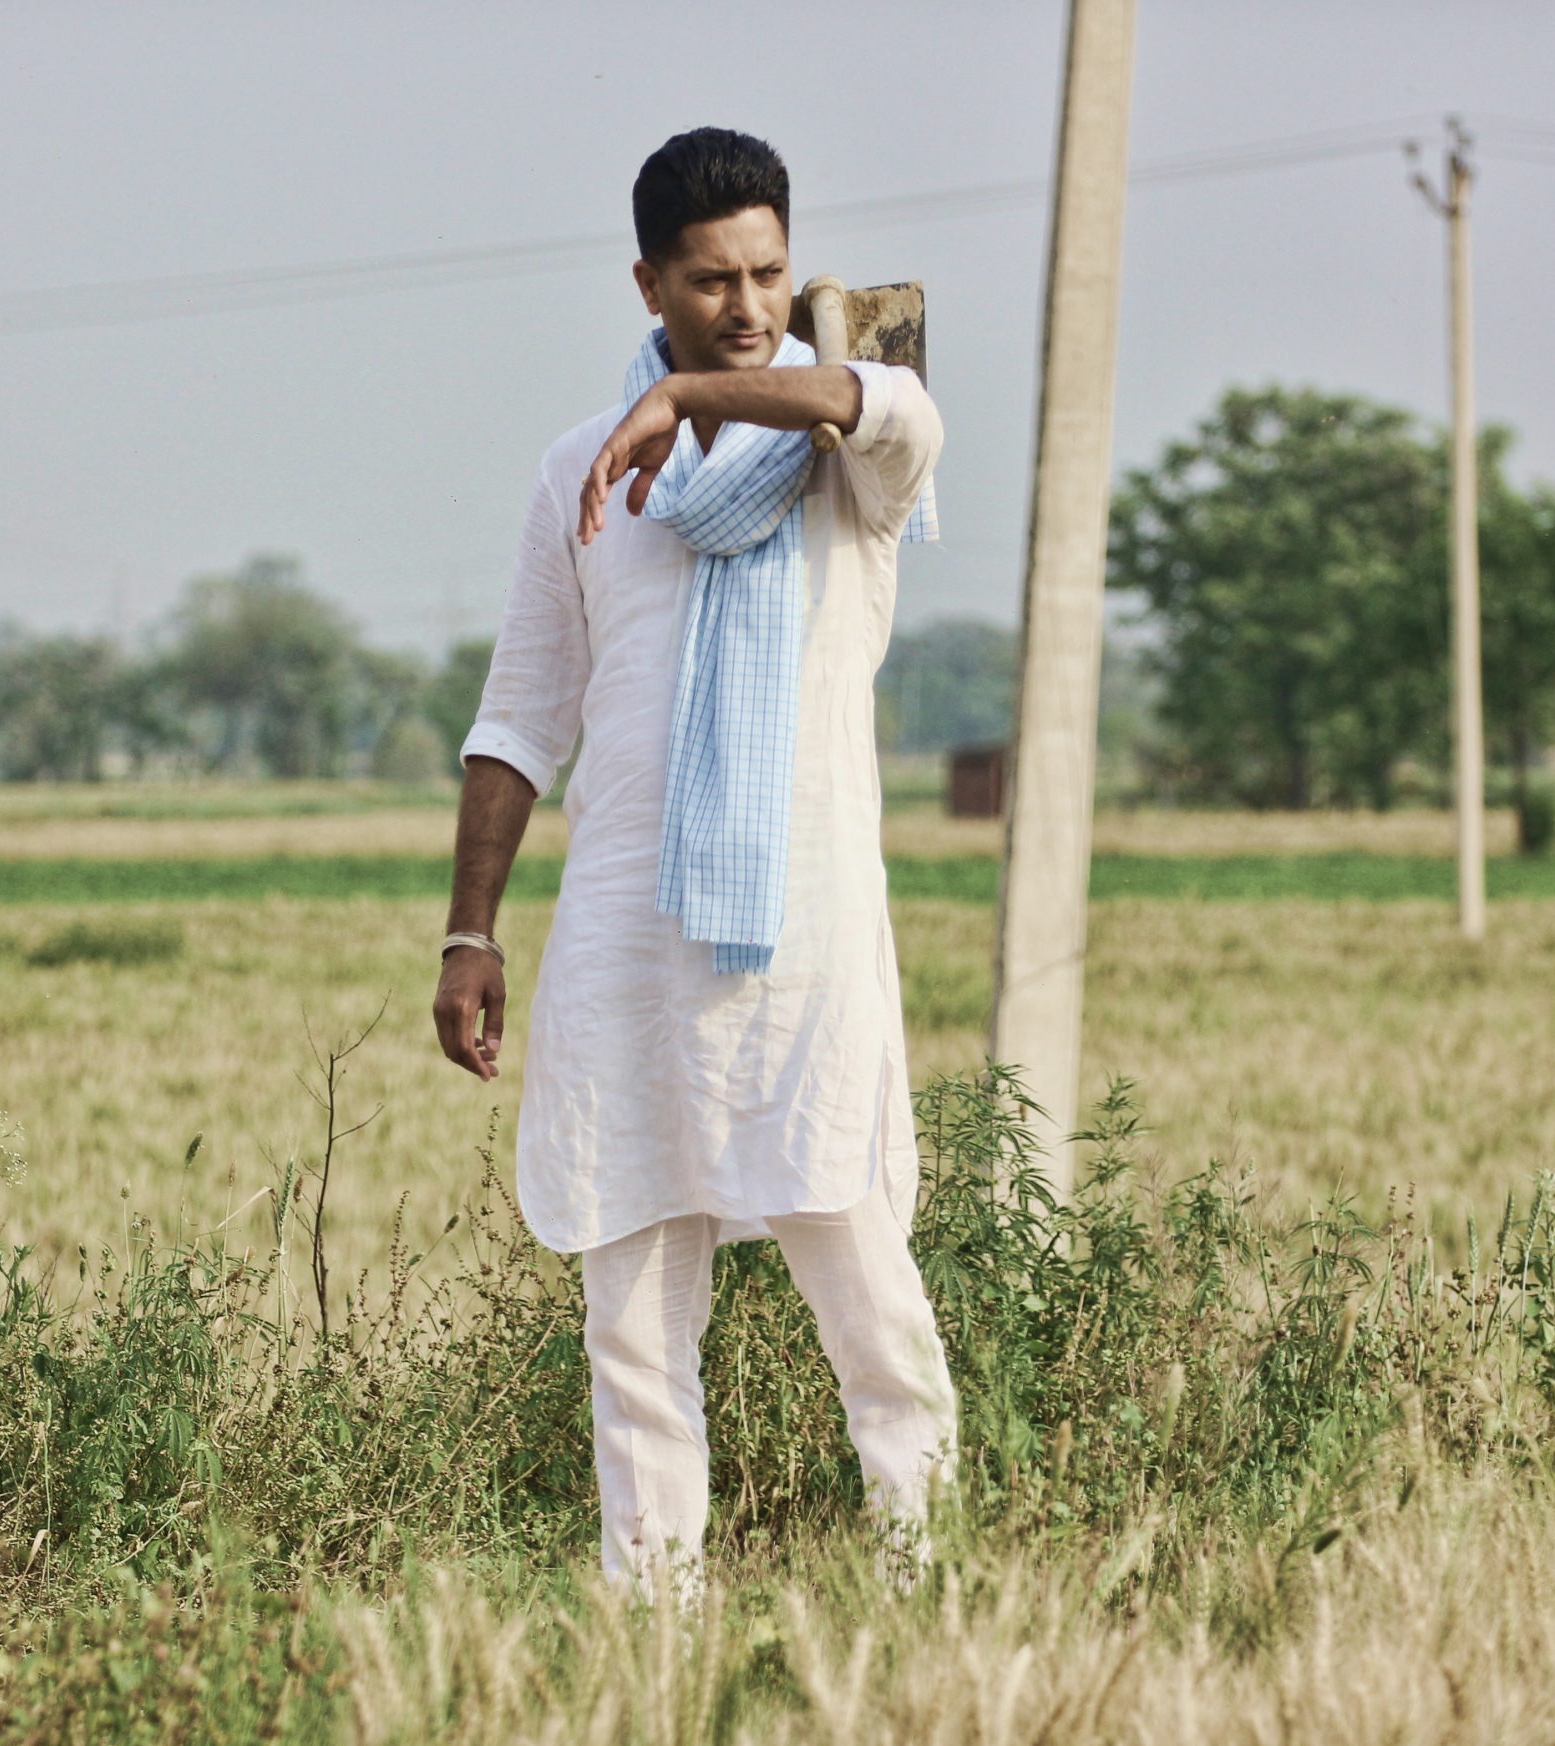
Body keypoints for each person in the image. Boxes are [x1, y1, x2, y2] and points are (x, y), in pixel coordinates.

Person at [430, 126, 958, 1593]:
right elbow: (521, 716)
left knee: (869, 1298)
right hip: (628, 945)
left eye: (771, 272)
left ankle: (926, 1585)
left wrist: (692, 395)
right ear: (650, 278)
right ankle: (650, 1615)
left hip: (806, 940)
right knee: (634, 1321)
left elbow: (887, 399)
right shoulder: (580, 477)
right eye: (712, 281)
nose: (749, 304)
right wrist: (468, 932)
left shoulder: (850, 456)